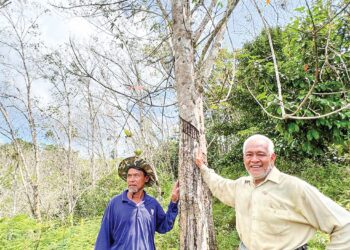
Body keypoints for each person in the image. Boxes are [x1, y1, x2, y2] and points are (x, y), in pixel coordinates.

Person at [195, 134, 350, 250]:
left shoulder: (294, 187)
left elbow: (344, 225)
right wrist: (202, 168)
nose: (254, 160)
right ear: (244, 159)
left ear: (272, 157)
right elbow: (219, 185)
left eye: (261, 154)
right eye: (249, 155)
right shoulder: (241, 185)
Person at [95, 156, 180, 250]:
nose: (132, 179)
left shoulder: (152, 204)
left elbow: (164, 226)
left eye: (136, 175)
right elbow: (103, 237)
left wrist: (173, 202)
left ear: (146, 178)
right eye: (129, 176)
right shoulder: (115, 204)